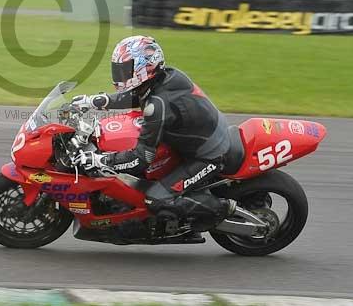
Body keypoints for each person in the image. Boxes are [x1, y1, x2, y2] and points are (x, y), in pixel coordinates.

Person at [71, 35, 236, 231]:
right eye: (118, 69)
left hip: (209, 155)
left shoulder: (157, 106)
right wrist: (95, 101)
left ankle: (221, 208)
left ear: (145, 67)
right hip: (201, 137)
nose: (120, 75)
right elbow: (136, 96)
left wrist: (101, 160)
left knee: (156, 200)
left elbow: (141, 158)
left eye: (125, 69)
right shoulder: (166, 77)